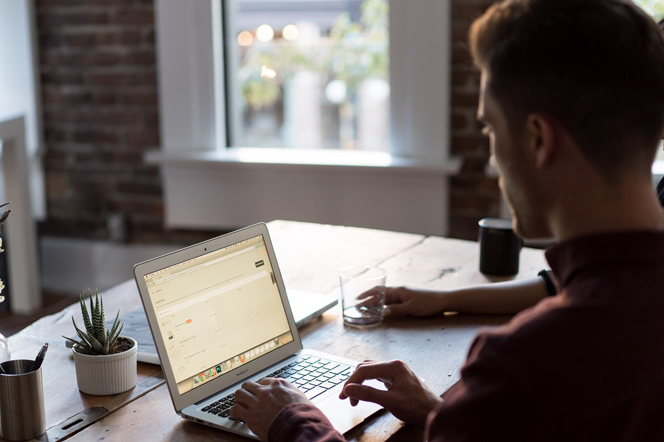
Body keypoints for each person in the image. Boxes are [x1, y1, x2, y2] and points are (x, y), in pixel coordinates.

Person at [229, 1, 664, 441]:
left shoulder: (528, 363)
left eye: (491, 129)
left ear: (538, 140)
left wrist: (293, 420)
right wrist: (445, 414)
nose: (493, 158)